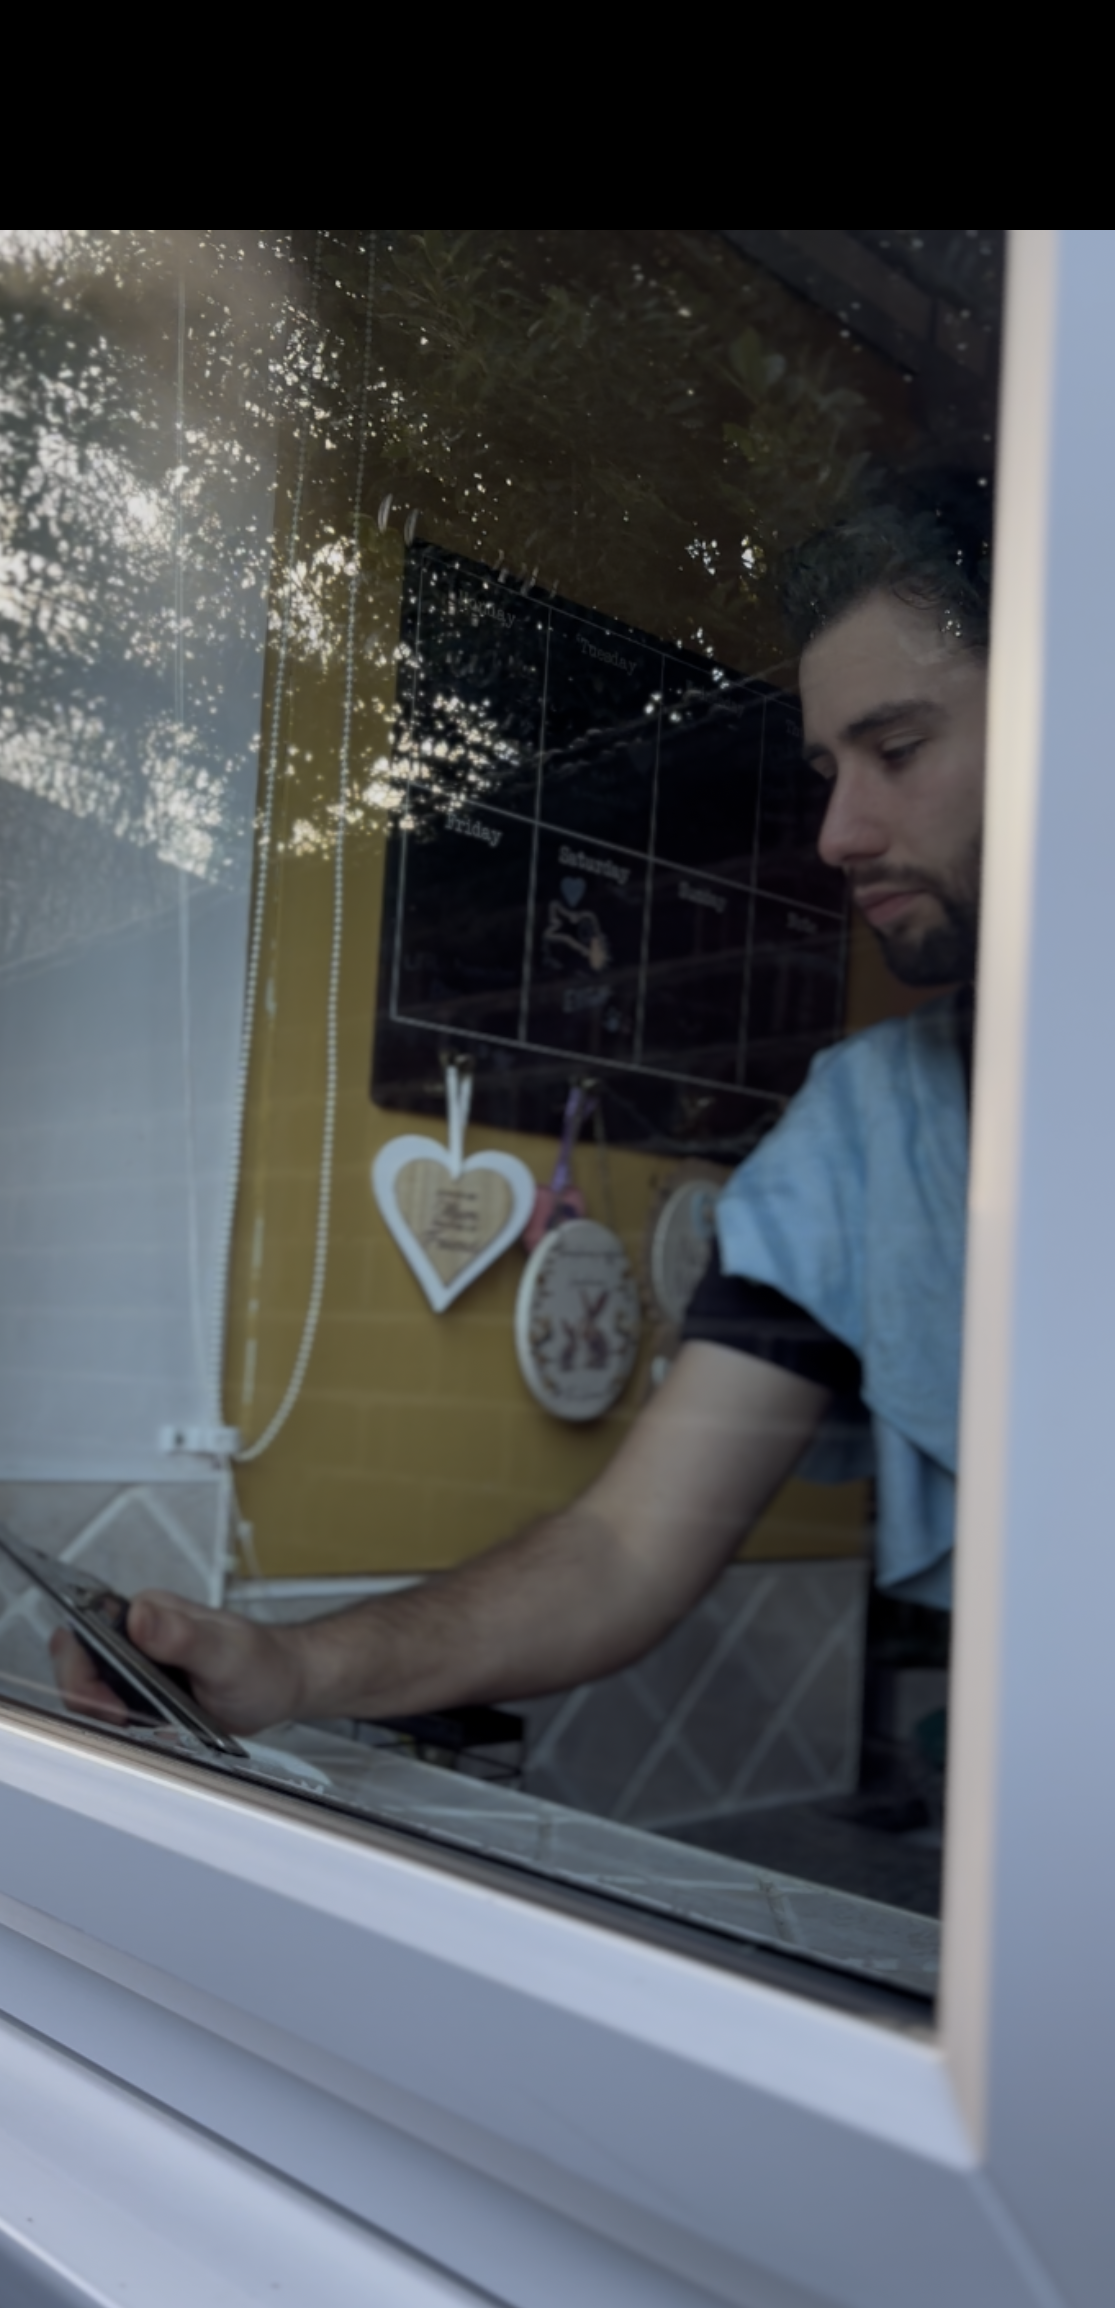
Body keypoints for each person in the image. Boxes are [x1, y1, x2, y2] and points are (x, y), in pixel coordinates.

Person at [52, 472, 989, 1743]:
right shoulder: (867, 1135)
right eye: (827, 769)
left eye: (898, 751)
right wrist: (292, 1671)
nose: (836, 833)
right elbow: (624, 1549)